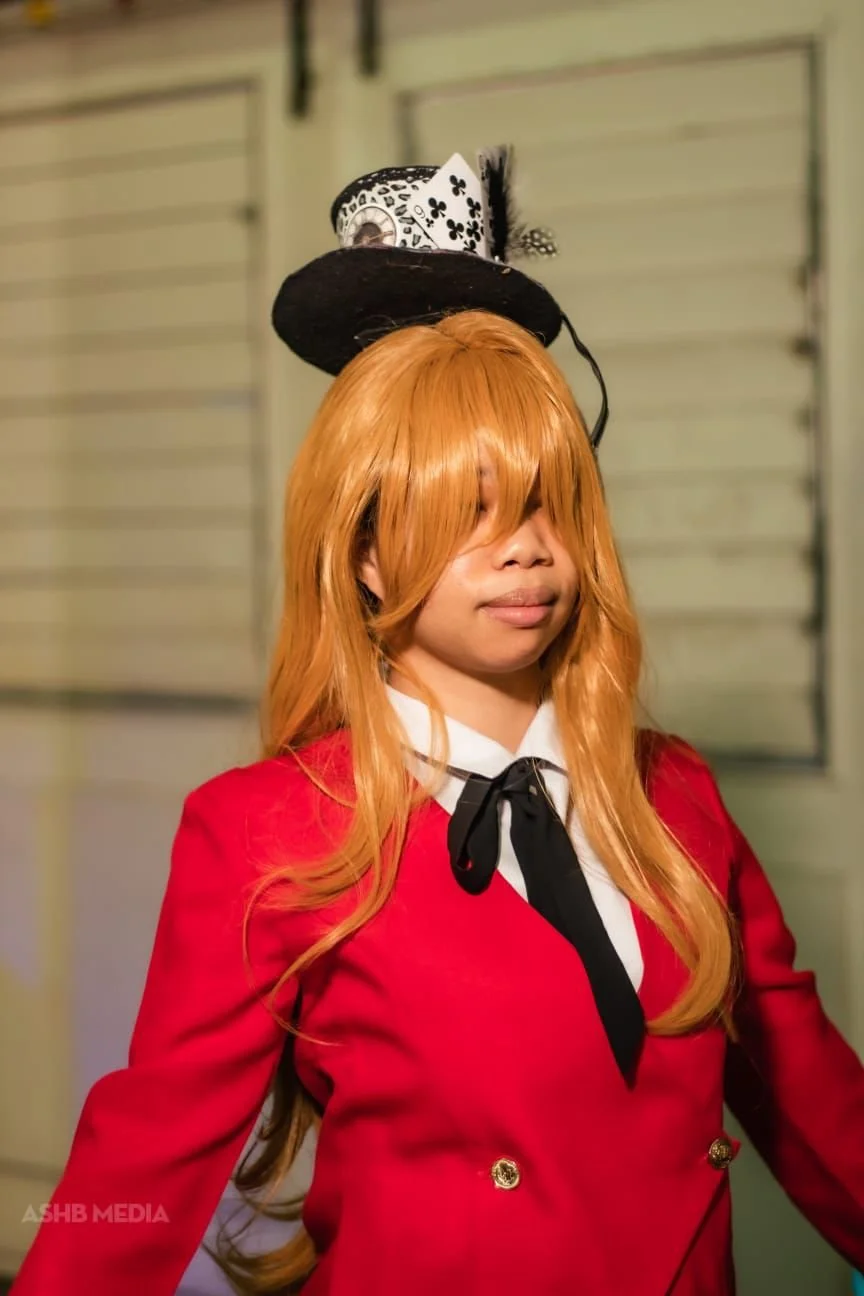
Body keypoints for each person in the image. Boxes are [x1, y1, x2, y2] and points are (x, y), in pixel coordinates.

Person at [10, 149, 864, 1296]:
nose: (525, 548)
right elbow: (140, 1172)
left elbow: (821, 1111)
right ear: (361, 551)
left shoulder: (676, 797)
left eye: (550, 506)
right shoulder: (264, 834)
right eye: (467, 512)